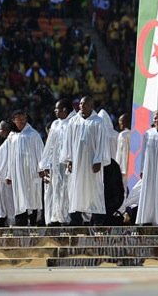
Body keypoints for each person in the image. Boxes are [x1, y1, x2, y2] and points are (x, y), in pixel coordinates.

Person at [62, 96, 111, 226]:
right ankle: (76, 218)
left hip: (92, 162)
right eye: (81, 104)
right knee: (76, 188)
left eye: (85, 104)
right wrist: (69, 159)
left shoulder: (98, 122)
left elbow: (102, 143)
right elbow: (68, 142)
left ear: (91, 106)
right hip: (77, 162)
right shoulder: (73, 121)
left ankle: (97, 219)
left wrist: (98, 160)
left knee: (94, 189)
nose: (82, 106)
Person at [39, 99, 75, 226]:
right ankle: (57, 217)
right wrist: (44, 164)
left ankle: (68, 218)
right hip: (55, 164)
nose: (55, 111)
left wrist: (70, 159)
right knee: (56, 190)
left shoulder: (74, 122)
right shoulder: (55, 124)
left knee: (68, 190)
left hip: (68, 164)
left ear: (64, 109)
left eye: (57, 109)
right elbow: (50, 146)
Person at [6, 110, 44, 226]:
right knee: (19, 199)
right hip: (17, 173)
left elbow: (40, 152)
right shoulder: (12, 136)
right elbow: (10, 157)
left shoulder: (33, 134)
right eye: (19, 119)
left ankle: (33, 222)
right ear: (14, 120)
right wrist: (9, 174)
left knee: (31, 198)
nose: (22, 121)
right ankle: (20, 223)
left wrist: (42, 168)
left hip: (31, 172)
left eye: (24, 119)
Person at [0, 120, 15, 227]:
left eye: (0, 129)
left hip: (7, 178)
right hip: (4, 178)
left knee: (9, 203)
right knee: (6, 203)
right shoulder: (5, 142)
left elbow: (7, 161)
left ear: (6, 130)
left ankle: (12, 223)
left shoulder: (9, 142)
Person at [115, 113, 131, 195]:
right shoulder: (132, 134)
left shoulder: (123, 135)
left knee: (123, 188)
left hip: (123, 167)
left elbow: (122, 153)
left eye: (120, 121)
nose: (119, 123)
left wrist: (121, 168)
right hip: (131, 167)